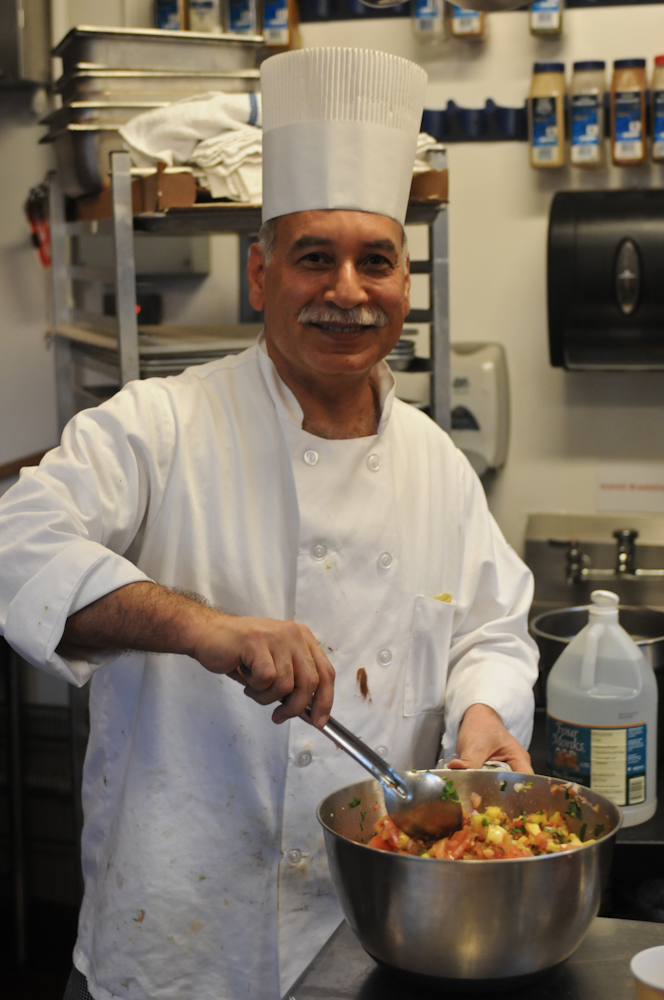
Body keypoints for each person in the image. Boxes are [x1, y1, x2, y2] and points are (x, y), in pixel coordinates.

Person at [0, 48, 538, 1000]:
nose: (347, 290)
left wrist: (486, 712)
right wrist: (201, 626)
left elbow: (490, 627)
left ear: (405, 284)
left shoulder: (436, 466)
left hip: (372, 934)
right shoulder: (158, 425)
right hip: (174, 940)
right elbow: (17, 550)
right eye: (313, 258)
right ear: (260, 273)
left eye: (375, 260)